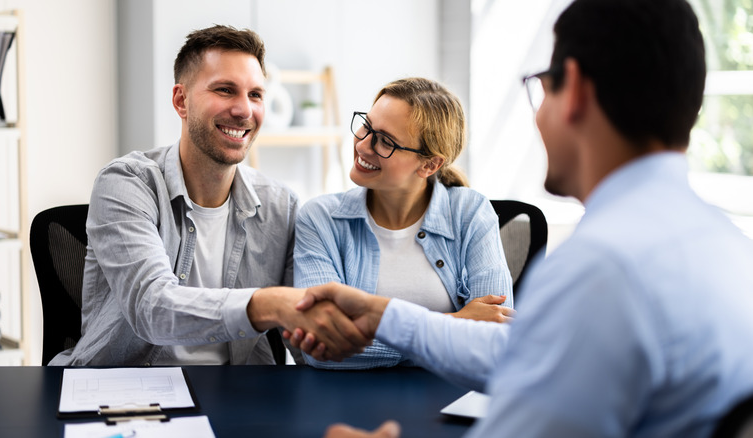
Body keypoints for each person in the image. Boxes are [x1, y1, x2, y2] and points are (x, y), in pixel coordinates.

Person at [289, 0, 753, 436]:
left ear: (573, 90)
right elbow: (519, 352)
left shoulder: (599, 271)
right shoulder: (728, 248)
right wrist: (385, 317)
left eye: (540, 85)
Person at [49, 25, 369, 366]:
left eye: (256, 95)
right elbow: (152, 308)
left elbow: (307, 344)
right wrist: (270, 304)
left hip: (239, 397)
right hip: (128, 394)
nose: (244, 110)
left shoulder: (281, 206)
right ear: (181, 101)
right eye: (225, 90)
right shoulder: (126, 184)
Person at [294, 77, 514, 369]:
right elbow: (320, 346)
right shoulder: (320, 219)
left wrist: (374, 337)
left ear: (429, 165)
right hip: (348, 400)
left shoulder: (471, 213)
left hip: (447, 402)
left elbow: (495, 341)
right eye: (366, 126)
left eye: (385, 141)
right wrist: (457, 323)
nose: (363, 144)